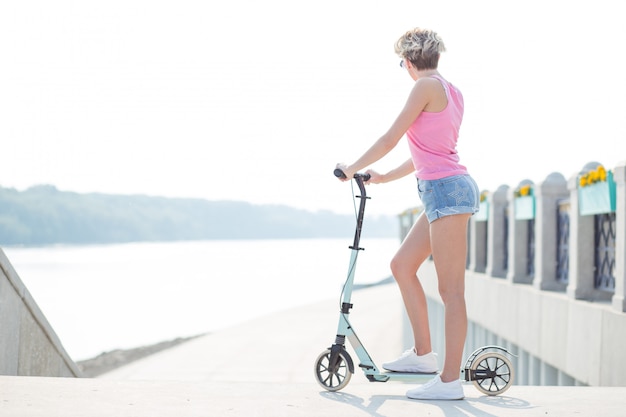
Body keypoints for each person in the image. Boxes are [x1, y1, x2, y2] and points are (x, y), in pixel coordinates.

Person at [335, 27, 479, 401]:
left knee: (451, 292)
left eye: (402, 62)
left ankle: (449, 382)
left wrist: (351, 167)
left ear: (411, 61)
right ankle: (422, 356)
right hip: (441, 191)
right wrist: (382, 176)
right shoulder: (450, 89)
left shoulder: (425, 87)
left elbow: (390, 138)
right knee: (402, 265)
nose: (404, 68)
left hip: (447, 192)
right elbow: (428, 151)